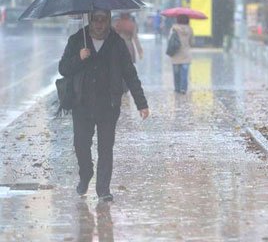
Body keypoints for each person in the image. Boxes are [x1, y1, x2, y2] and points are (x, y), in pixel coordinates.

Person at [59, 10, 149, 202]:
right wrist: (80, 58)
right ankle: (86, 174)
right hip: (82, 105)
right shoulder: (77, 40)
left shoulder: (116, 43)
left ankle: (103, 189)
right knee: (81, 145)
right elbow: (63, 68)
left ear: (108, 20)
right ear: (90, 20)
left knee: (106, 148)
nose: (99, 23)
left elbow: (130, 74)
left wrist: (141, 103)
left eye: (103, 19)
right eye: (95, 19)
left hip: (108, 105)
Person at [169, 15, 194, 94]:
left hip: (176, 54)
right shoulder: (190, 29)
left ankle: (177, 88)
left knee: (176, 74)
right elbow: (192, 42)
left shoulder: (174, 29)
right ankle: (183, 88)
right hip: (186, 54)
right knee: (184, 74)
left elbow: (170, 39)